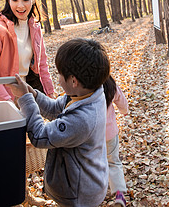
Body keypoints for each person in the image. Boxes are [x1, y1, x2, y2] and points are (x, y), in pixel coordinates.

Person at [8, 38, 110, 207]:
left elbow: (39, 136)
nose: (59, 79)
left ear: (73, 81)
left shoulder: (82, 119)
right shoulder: (87, 93)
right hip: (84, 184)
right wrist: (32, 94)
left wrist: (25, 100)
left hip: (78, 193)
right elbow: (55, 108)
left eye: (60, 74)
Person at [104, 75, 129, 207]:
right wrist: (124, 111)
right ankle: (119, 195)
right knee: (113, 162)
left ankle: (98, 191)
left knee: (93, 162)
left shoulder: (88, 85)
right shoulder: (109, 84)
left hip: (92, 134)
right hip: (110, 133)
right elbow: (122, 100)